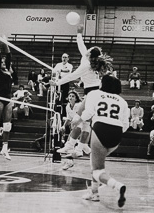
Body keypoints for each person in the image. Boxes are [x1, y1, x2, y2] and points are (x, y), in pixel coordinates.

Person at [50, 24, 113, 157]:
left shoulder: (87, 65)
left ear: (90, 55)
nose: (87, 50)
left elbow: (72, 76)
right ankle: (80, 148)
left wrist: (56, 83)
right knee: (85, 123)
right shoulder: (88, 59)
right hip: (94, 93)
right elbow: (81, 46)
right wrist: (79, 33)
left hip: (92, 93)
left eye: (89, 50)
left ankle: (72, 147)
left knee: (79, 119)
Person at [72, 75, 128, 207]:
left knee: (97, 170)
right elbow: (125, 125)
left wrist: (76, 121)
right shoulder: (122, 101)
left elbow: (88, 113)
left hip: (101, 128)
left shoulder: (94, 93)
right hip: (117, 133)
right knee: (94, 162)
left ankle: (118, 186)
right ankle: (94, 193)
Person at [60, 90, 84, 170]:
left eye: (73, 96)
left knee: (71, 144)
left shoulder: (79, 105)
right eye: (70, 96)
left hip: (83, 127)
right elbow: (69, 118)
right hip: (74, 128)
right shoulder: (67, 106)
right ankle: (69, 162)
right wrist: (63, 126)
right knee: (70, 144)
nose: (71, 98)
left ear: (76, 98)